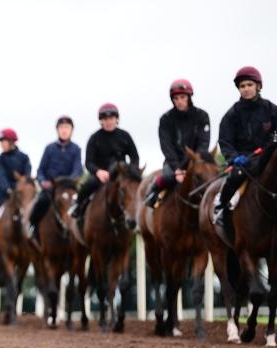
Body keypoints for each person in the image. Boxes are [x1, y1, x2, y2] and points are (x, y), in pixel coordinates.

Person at [214, 66, 277, 227]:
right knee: (235, 176)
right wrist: (234, 158)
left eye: (249, 84)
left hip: (267, 156)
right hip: (243, 160)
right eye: (242, 86)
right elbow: (225, 141)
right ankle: (221, 208)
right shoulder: (232, 114)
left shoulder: (271, 110)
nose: (246, 89)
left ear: (258, 86)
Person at [143, 80, 211, 208]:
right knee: (169, 177)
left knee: (210, 177)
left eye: (182, 97)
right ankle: (152, 192)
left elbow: (204, 143)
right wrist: (177, 169)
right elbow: (166, 146)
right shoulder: (165, 119)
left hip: (195, 160)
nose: (179, 101)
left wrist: (195, 160)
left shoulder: (202, 116)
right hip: (174, 162)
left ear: (189, 97)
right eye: (176, 98)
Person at [69, 103, 139, 219]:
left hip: (121, 174)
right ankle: (77, 206)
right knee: (87, 185)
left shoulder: (125, 136)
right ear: (101, 121)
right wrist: (98, 172)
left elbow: (135, 157)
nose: (108, 121)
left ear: (116, 119)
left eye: (111, 118)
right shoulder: (94, 138)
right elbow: (88, 162)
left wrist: (131, 171)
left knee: (136, 186)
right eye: (105, 119)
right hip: (101, 175)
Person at [27, 116, 83, 239]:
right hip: (51, 187)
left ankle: (82, 234)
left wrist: (70, 180)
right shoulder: (50, 148)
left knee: (81, 203)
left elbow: (78, 169)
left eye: (67, 128)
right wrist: (42, 181)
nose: (64, 130)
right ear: (57, 130)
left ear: (71, 130)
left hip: (68, 187)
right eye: (62, 127)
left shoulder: (76, 149)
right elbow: (41, 170)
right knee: (41, 202)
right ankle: (32, 226)